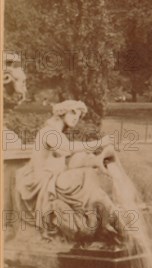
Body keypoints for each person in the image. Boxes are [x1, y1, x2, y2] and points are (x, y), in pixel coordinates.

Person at [16, 100, 124, 246]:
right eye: (73, 112)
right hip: (42, 182)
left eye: (79, 115)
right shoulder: (48, 132)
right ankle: (116, 224)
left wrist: (96, 161)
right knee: (87, 176)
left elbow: (71, 162)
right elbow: (65, 149)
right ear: (62, 112)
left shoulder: (58, 134)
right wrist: (99, 143)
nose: (76, 118)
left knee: (89, 178)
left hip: (55, 179)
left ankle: (114, 223)